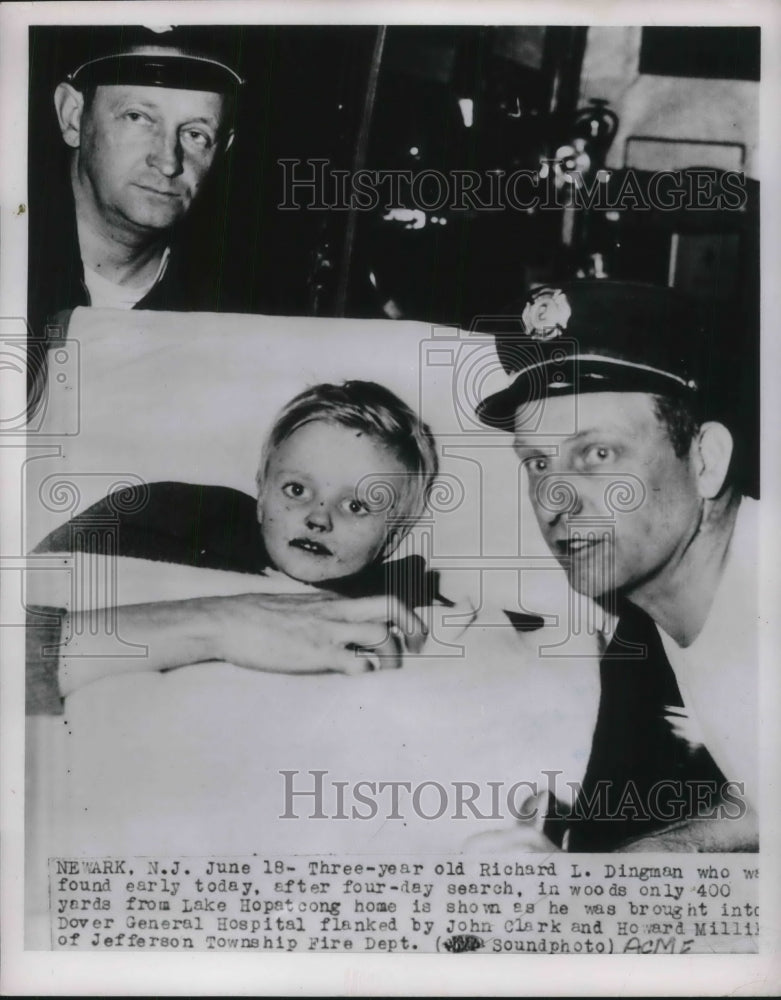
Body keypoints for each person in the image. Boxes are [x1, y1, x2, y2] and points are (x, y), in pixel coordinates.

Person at [475, 280, 758, 852]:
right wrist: (662, 851)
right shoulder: (686, 602)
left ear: (706, 460)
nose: (554, 498)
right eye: (536, 463)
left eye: (597, 454)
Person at [27, 381, 441, 712]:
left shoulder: (403, 599)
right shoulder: (172, 517)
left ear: (394, 536)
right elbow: (43, 588)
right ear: (261, 495)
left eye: (355, 505)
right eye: (296, 489)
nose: (319, 517)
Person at [28, 26, 243, 402]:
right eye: (138, 117)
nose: (168, 160)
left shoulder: (235, 315)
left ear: (222, 151)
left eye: (196, 134)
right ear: (73, 117)